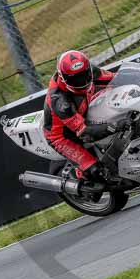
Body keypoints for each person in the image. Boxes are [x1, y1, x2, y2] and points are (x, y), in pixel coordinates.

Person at [43, 50, 118, 181]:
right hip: (64, 136)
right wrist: (115, 126)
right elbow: (84, 133)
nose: (82, 81)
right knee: (96, 170)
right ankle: (79, 176)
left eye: (84, 75)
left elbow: (115, 78)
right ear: (63, 78)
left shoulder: (90, 71)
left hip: (84, 114)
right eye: (75, 79)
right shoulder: (60, 101)